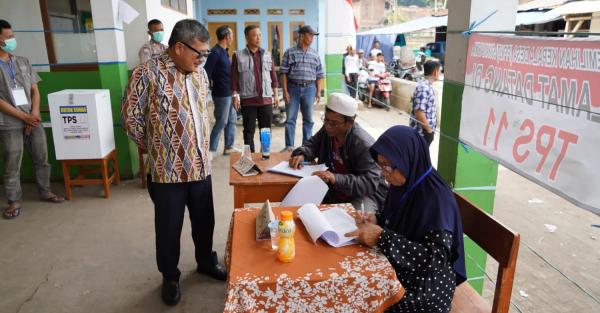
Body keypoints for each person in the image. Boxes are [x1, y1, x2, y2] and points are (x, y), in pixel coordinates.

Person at [122, 19, 226, 306]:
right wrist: (157, 147)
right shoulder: (147, 73)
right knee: (169, 227)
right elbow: (130, 118)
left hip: (200, 166)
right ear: (178, 47)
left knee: (205, 220)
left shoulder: (199, 73)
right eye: (199, 53)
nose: (203, 59)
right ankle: (170, 276)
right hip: (167, 171)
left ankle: (205, 261)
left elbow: (205, 111)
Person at [346, 125, 466, 313]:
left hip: (427, 288)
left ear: (408, 159)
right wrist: (376, 219)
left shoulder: (436, 198)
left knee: (362, 299)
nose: (384, 173)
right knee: (353, 284)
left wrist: (381, 238)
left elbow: (436, 258)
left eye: (388, 166)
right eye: (380, 165)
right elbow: (396, 219)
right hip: (401, 268)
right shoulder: (404, 182)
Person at [0, 20, 64, 220]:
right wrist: (23, 116)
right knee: (13, 160)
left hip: (33, 119)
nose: (12, 40)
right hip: (9, 122)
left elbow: (35, 90)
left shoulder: (22, 61)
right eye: (8, 37)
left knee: (41, 157)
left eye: (12, 35)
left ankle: (45, 191)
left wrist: (34, 114)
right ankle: (13, 200)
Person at [289, 93, 387, 212]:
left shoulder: (363, 143)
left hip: (363, 195)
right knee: (302, 208)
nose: (328, 126)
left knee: (357, 221)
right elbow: (312, 144)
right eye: (326, 120)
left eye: (334, 123)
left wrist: (335, 178)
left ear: (350, 122)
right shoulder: (328, 130)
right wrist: (302, 154)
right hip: (334, 188)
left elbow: (370, 183)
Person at [231, 25, 279, 153]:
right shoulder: (238, 55)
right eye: (254, 35)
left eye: (260, 35)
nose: (258, 38)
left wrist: (275, 95)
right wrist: (235, 96)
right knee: (248, 131)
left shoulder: (267, 54)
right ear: (247, 37)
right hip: (248, 99)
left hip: (266, 99)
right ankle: (250, 158)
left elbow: (273, 76)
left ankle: (265, 154)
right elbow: (234, 79)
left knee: (265, 131)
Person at [280, 25, 324, 152]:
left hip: (310, 89)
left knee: (308, 119)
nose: (311, 38)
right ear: (302, 35)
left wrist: (318, 90)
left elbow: (319, 74)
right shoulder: (290, 52)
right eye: (310, 35)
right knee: (290, 119)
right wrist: (285, 91)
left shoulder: (315, 54)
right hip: (293, 88)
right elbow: (283, 73)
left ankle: (306, 147)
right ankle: (289, 146)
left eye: (313, 36)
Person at [205, 25, 237, 156]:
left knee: (232, 120)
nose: (232, 38)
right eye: (231, 35)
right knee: (222, 122)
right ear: (226, 37)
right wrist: (209, 90)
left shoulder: (225, 51)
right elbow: (206, 72)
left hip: (230, 92)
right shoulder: (215, 52)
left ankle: (229, 147)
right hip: (221, 94)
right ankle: (211, 150)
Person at [410, 60, 441, 147]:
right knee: (419, 158)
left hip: (425, 132)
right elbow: (419, 112)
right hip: (422, 133)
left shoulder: (427, 86)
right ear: (435, 72)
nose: (440, 74)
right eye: (439, 71)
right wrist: (429, 130)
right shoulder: (424, 88)